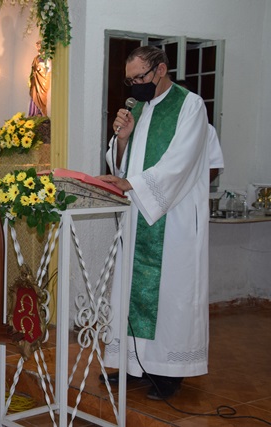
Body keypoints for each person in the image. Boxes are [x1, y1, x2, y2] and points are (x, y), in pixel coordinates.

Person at [97, 46, 210, 401]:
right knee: (131, 293)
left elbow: (180, 161)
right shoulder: (139, 109)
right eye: (129, 81)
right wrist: (123, 139)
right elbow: (122, 165)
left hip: (173, 220)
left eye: (140, 78)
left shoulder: (190, 106)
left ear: (161, 70)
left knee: (171, 296)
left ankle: (167, 372)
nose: (135, 86)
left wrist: (134, 184)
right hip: (138, 218)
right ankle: (133, 365)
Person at [174, 80, 224, 184]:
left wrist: (195, 186)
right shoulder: (160, 129)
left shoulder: (207, 130)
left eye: (183, 98)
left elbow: (214, 166)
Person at [28, 40, 51, 117]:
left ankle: (41, 113)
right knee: (34, 95)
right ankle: (34, 113)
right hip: (35, 81)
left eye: (39, 46)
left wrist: (40, 68)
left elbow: (48, 69)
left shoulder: (47, 58)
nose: (38, 48)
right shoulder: (36, 58)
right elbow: (33, 70)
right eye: (37, 47)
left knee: (41, 96)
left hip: (42, 81)